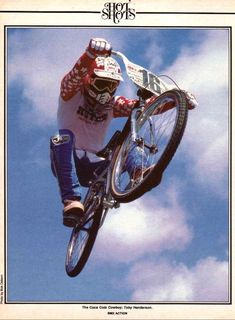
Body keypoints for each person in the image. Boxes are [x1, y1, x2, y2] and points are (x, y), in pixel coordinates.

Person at [50, 38, 197, 228]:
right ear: (89, 79)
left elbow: (144, 108)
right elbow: (74, 76)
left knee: (127, 139)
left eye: (111, 86)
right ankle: (71, 201)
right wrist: (90, 54)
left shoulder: (111, 104)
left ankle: (140, 172)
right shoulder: (72, 93)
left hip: (95, 165)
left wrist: (178, 101)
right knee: (62, 137)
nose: (106, 91)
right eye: (102, 84)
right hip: (68, 160)